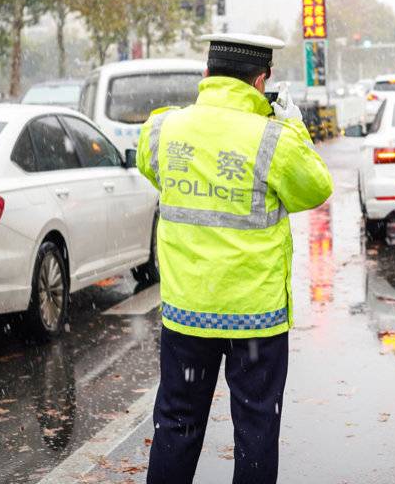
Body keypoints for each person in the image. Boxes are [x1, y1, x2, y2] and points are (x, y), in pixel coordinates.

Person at [137, 33, 333, 484]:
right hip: (255, 318)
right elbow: (315, 188)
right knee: (256, 429)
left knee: (177, 425)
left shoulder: (163, 128)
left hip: (188, 314)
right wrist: (295, 127)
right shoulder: (275, 139)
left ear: (206, 76)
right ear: (261, 81)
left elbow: (151, 168)